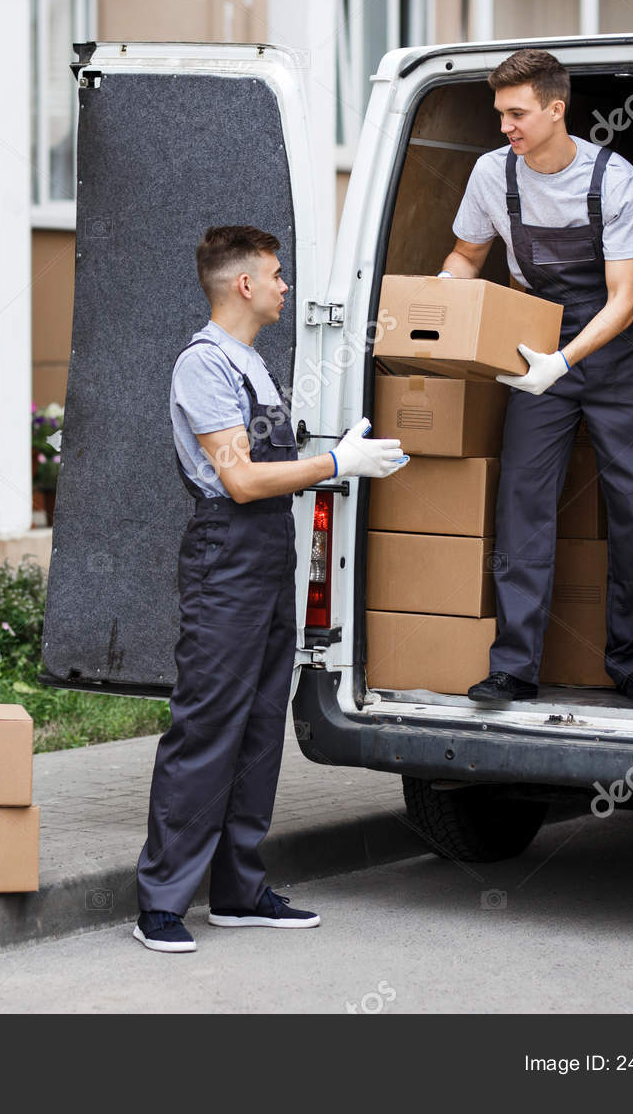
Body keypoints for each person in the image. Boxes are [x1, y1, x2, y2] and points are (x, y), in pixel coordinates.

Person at [133, 224, 408, 953]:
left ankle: (240, 890)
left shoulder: (251, 363)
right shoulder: (203, 365)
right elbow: (243, 478)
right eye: (278, 274)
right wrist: (334, 466)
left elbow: (267, 466)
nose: (287, 285)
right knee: (207, 726)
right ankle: (160, 901)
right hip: (226, 552)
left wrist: (330, 453)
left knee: (259, 726)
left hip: (265, 554)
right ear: (245, 284)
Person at [440, 48, 633, 706]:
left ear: (556, 109)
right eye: (500, 113)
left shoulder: (614, 180)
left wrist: (562, 363)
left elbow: (623, 300)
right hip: (534, 346)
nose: (505, 124)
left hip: (617, 355)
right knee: (522, 503)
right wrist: (439, 296)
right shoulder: (490, 174)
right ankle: (514, 666)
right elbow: (465, 253)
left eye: (517, 112)